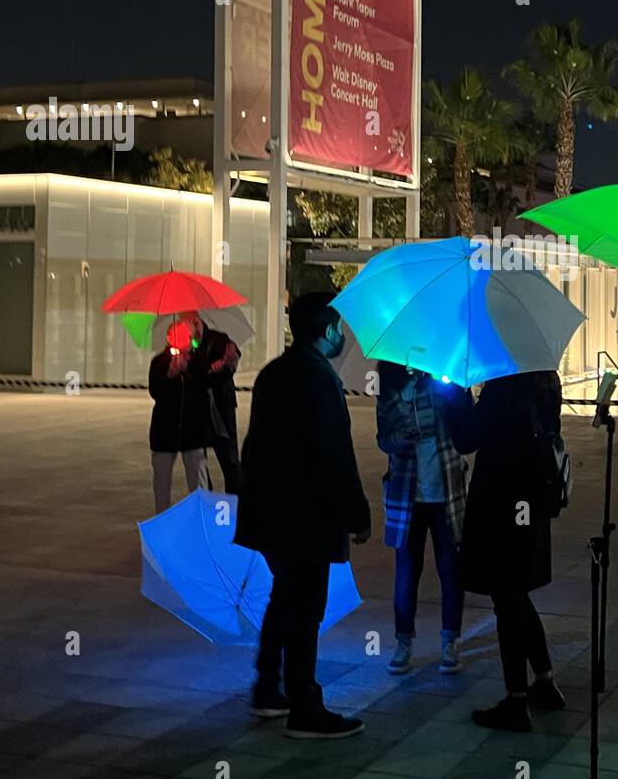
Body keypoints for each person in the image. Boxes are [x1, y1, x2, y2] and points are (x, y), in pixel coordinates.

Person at [233, 292, 371, 739]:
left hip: (272, 515)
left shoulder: (275, 372)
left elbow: (253, 447)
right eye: (339, 329)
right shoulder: (319, 379)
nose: (342, 337)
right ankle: (304, 706)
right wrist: (357, 512)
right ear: (326, 330)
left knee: (284, 599)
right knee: (306, 608)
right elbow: (334, 454)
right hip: (306, 516)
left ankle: (268, 688)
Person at [444, 369, 565, 732]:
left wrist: (457, 393)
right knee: (516, 594)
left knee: (507, 600)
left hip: (501, 502)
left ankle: (516, 700)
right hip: (531, 503)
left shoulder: (503, 388)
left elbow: (467, 437)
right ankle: (544, 682)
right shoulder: (546, 379)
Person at [376, 361, 467, 675]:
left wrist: (453, 392)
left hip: (446, 492)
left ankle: (450, 640)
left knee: (451, 570)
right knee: (406, 572)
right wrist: (400, 437)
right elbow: (383, 439)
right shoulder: (389, 390)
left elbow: (466, 430)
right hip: (407, 494)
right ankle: (403, 642)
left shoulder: (445, 382)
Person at [147, 320, 211, 515]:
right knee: (162, 481)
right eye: (180, 336)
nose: (185, 340)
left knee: (198, 479)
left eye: (188, 336)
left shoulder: (197, 361)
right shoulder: (159, 362)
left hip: (193, 431)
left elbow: (206, 387)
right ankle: (163, 520)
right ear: (170, 338)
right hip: (165, 431)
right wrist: (170, 374)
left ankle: (201, 519)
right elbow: (156, 391)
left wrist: (190, 372)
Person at [188, 312, 242, 494]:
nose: (192, 327)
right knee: (197, 459)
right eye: (187, 323)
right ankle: (205, 496)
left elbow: (231, 359)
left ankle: (235, 501)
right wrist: (210, 368)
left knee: (229, 458)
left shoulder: (217, 339)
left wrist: (227, 362)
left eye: (195, 322)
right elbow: (191, 373)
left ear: (202, 322)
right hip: (197, 407)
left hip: (221, 407)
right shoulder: (183, 346)